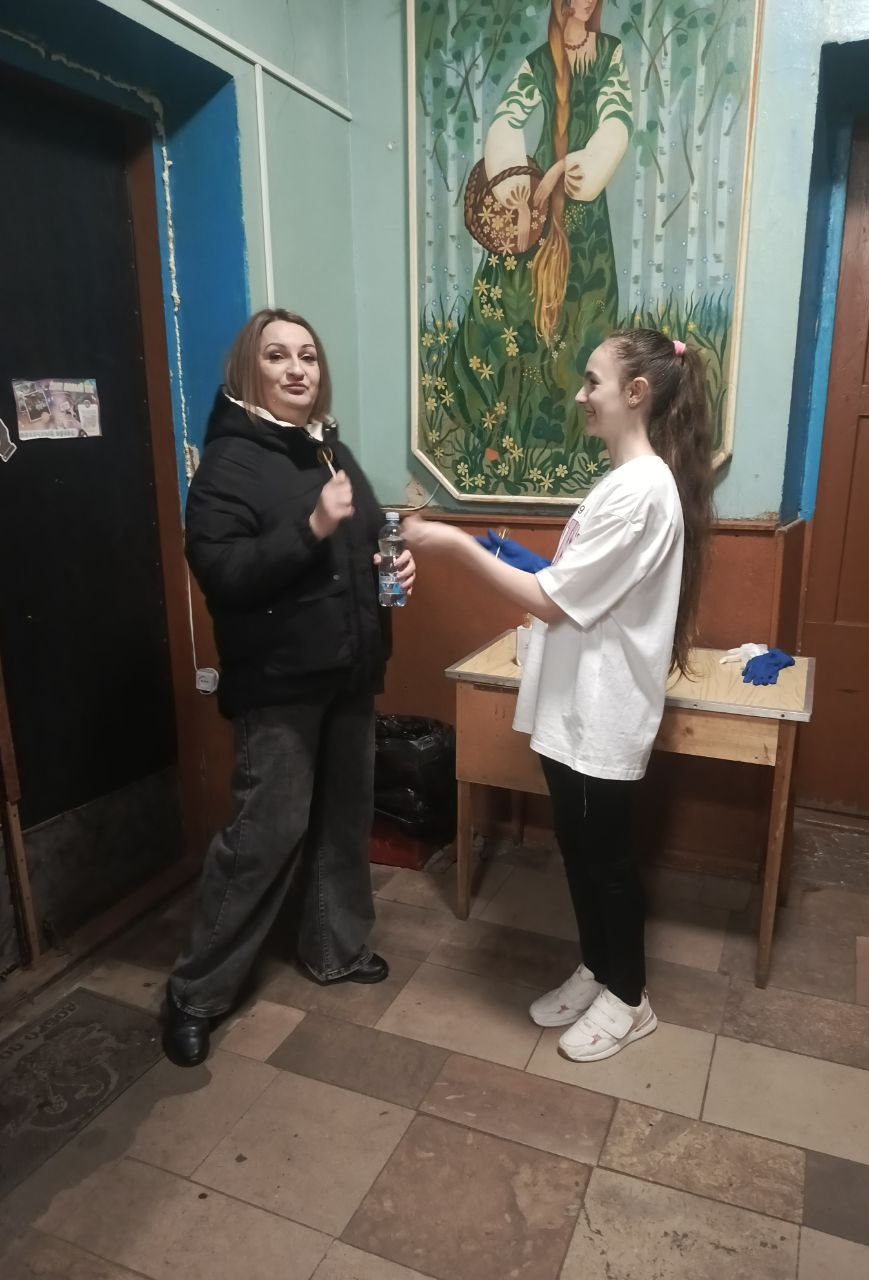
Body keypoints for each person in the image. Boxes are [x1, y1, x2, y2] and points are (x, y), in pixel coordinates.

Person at [405, 328, 713, 1062]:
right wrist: (518, 560)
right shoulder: (621, 482)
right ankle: (599, 968)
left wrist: (456, 546)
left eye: (592, 381)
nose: (581, 395)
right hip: (574, 704)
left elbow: (552, 600)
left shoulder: (642, 490)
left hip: (603, 710)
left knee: (606, 858)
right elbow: (574, 586)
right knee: (577, 847)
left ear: (635, 393)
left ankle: (630, 998)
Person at [162, 308, 415, 1068]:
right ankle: (195, 992)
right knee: (263, 834)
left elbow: (362, 538)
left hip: (348, 667)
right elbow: (223, 573)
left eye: (307, 355)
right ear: (250, 369)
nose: (297, 369)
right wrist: (310, 527)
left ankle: (334, 948)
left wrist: (390, 564)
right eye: (277, 356)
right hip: (279, 682)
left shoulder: (327, 447)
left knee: (343, 820)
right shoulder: (229, 463)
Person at [439, 0, 633, 488]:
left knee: (585, 311)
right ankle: (498, 426)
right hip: (537, 204)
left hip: (582, 205)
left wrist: (586, 164)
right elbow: (509, 116)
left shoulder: (610, 54)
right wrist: (512, 178)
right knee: (513, 306)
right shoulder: (539, 60)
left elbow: (617, 118)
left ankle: (577, 436)